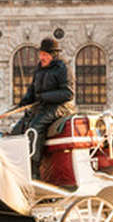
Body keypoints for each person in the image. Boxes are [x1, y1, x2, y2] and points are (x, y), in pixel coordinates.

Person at [10, 37, 76, 178]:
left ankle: (34, 168)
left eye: (45, 55)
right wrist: (24, 101)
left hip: (61, 107)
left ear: (53, 55)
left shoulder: (62, 68)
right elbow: (33, 90)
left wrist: (44, 97)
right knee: (17, 129)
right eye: (41, 54)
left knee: (34, 128)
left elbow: (68, 93)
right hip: (43, 106)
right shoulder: (39, 69)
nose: (42, 57)